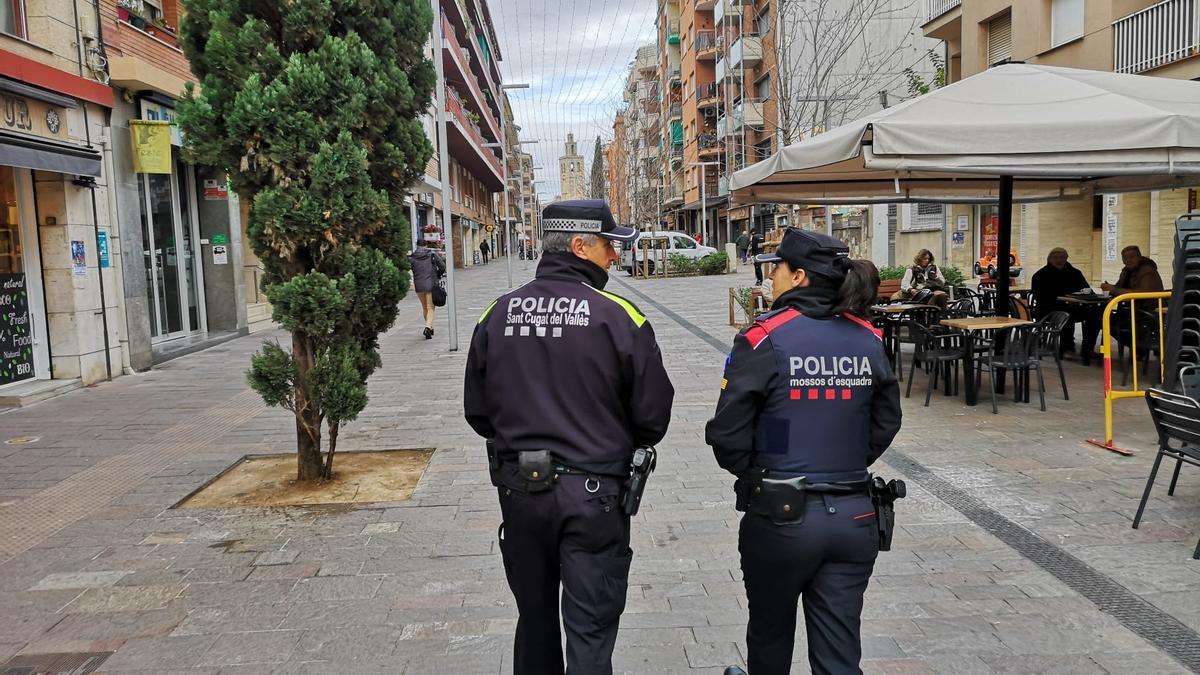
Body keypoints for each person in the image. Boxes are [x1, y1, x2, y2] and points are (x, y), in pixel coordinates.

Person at [464, 199, 675, 675]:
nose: (614, 257)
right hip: (594, 497)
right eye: (608, 246)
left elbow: (477, 413)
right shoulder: (619, 316)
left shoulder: (497, 314)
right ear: (579, 245)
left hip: (520, 494)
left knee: (534, 622)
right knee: (591, 628)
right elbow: (653, 417)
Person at [706, 228, 902, 675]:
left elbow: (727, 433)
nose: (770, 276)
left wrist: (763, 468)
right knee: (839, 650)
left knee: (770, 637)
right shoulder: (867, 338)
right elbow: (886, 421)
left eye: (775, 268)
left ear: (797, 276)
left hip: (781, 517)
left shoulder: (764, 338)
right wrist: (843, 460)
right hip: (855, 514)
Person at [1031, 247, 1099, 361]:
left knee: (1095, 314)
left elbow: (1087, 290)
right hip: (1048, 309)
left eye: (1062, 257)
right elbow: (1040, 297)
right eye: (1056, 258)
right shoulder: (1040, 275)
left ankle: (1088, 349)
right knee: (1066, 313)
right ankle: (1067, 349)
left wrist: (1079, 298)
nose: (1059, 260)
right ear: (1050, 259)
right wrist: (1063, 299)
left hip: (1075, 306)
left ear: (1066, 258)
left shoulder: (1075, 273)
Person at [409, 239, 445, 340]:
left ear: (417, 245)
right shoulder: (432, 255)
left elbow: (411, 268)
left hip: (419, 285)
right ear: (426, 245)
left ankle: (430, 327)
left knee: (424, 307)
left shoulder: (412, 257)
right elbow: (442, 266)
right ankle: (428, 327)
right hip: (431, 284)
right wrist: (437, 275)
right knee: (430, 307)